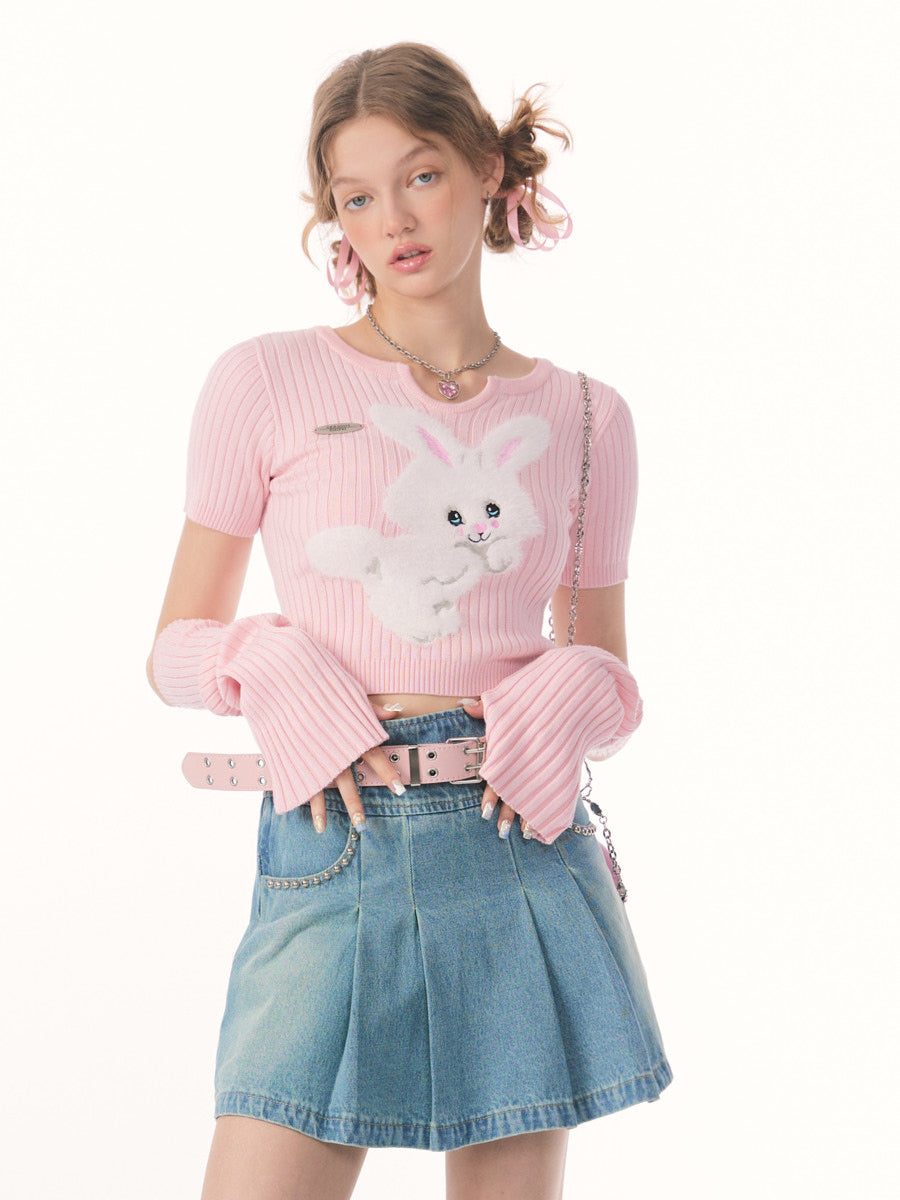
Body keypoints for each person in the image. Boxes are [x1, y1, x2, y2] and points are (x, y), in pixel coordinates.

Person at [146, 42, 672, 1200]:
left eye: (422, 175)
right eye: (356, 195)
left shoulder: (587, 417)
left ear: (488, 168)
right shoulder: (265, 381)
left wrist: (576, 687)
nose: (393, 219)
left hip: (517, 839)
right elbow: (173, 650)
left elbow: (611, 679)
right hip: (334, 837)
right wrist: (265, 662)